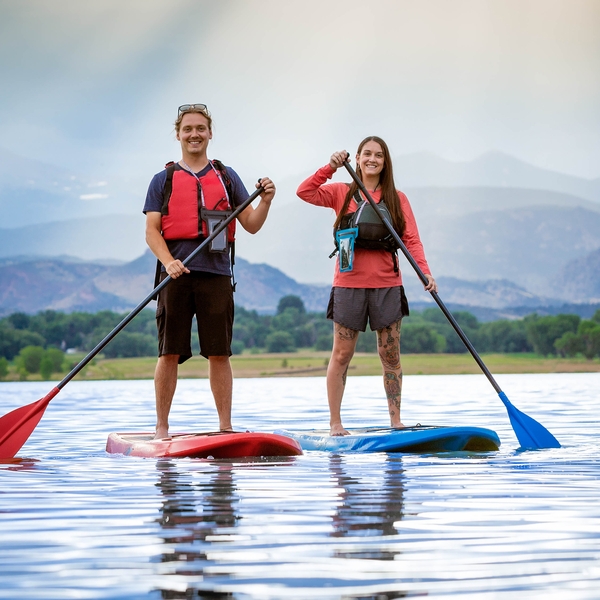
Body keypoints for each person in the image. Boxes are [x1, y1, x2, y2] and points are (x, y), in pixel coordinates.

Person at [143, 104, 276, 439]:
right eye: (188, 129)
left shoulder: (227, 177)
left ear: (210, 133)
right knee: (169, 351)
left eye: (200, 128)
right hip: (175, 276)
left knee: (219, 352)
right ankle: (162, 427)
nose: (194, 134)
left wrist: (267, 202)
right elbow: (151, 231)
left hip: (216, 274)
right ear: (178, 134)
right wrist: (168, 261)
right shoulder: (163, 180)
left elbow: (251, 225)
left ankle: (225, 426)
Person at [297, 136, 437, 436]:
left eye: (379, 155)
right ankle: (335, 424)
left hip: (388, 284)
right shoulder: (341, 192)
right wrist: (330, 167)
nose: (372, 159)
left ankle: (395, 421)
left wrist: (424, 273)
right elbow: (304, 191)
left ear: (385, 163)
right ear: (357, 158)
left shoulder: (397, 199)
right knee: (341, 355)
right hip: (348, 285)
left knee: (391, 355)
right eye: (367, 154)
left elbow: (411, 240)